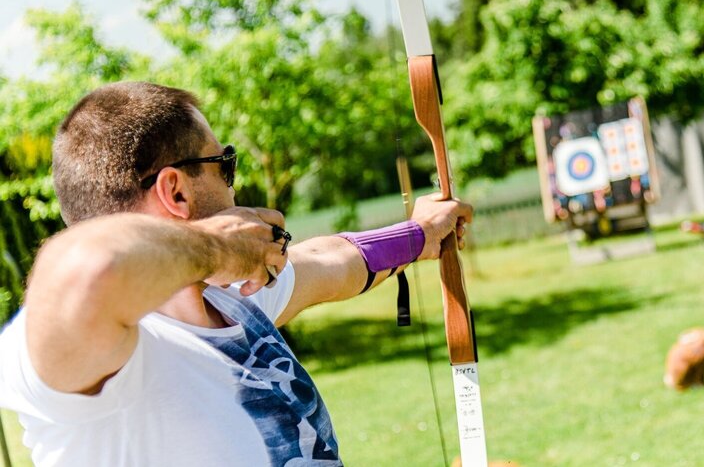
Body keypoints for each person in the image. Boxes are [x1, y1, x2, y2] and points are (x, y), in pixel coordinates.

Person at [0, 81, 472, 466]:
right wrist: (215, 246)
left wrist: (418, 234)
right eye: (224, 164)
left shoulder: (230, 304)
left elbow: (332, 261)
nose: (234, 181)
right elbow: (87, 269)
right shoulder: (82, 361)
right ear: (176, 192)